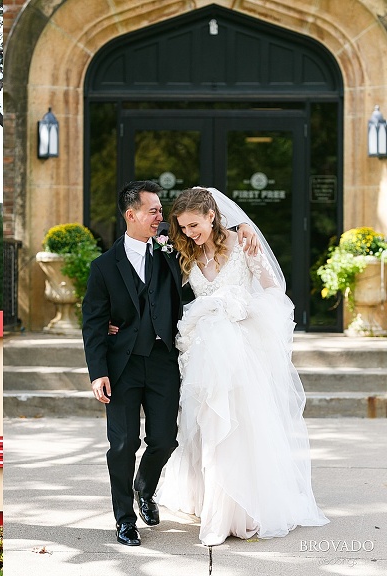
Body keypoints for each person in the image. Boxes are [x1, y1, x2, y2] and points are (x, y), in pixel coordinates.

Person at [81, 180, 257, 546]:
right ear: (131, 215)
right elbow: (93, 324)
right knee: (122, 445)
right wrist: (97, 372)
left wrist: (247, 228)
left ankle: (144, 487)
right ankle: (125, 519)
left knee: (164, 440)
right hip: (121, 367)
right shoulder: (103, 267)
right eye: (154, 211)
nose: (162, 217)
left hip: (164, 361)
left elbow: (211, 234)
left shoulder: (171, 252)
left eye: (161, 210)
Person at [158, 187, 329, 545]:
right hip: (203, 355)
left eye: (194, 225)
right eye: (183, 227)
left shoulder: (244, 244)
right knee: (207, 427)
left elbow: (274, 292)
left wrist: (241, 305)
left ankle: (239, 511)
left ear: (211, 215)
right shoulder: (184, 254)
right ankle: (213, 505)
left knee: (239, 428)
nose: (189, 233)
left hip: (241, 351)